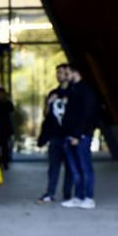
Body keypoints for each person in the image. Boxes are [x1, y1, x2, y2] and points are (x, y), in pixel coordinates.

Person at [62, 65, 100, 210]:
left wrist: (78, 134)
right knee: (75, 169)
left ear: (76, 72)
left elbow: (87, 114)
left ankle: (89, 198)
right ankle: (78, 197)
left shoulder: (86, 90)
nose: (65, 76)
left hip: (81, 136)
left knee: (85, 168)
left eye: (67, 73)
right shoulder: (73, 89)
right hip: (70, 135)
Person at [36, 63, 72, 203]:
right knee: (53, 167)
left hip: (68, 136)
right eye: (57, 73)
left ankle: (68, 195)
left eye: (62, 72)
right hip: (55, 137)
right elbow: (46, 114)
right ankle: (50, 193)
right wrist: (48, 102)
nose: (59, 75)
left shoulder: (73, 92)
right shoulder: (53, 93)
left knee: (70, 168)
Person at [0, 87, 15, 170]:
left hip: (5, 128)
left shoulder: (7, 103)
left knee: (5, 147)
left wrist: (7, 100)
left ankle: (5, 163)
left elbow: (12, 109)